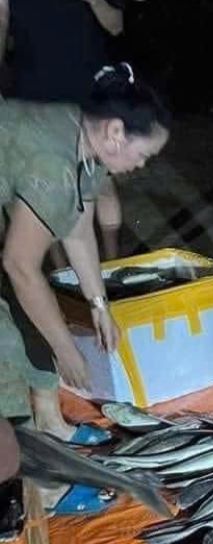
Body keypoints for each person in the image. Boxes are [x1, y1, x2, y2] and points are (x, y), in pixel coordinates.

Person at [0, 63, 170, 445]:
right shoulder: (54, 164)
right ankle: (28, 467)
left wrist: (99, 305)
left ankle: (48, 423)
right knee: (8, 337)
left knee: (37, 312)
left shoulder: (86, 144)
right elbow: (20, 266)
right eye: (143, 154)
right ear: (115, 132)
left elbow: (78, 233)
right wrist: (64, 349)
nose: (142, 165)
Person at [0, 0, 127, 263]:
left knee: (101, 182)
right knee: (46, 187)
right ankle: (62, 275)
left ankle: (115, 266)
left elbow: (115, 25)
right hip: (35, 91)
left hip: (88, 87)